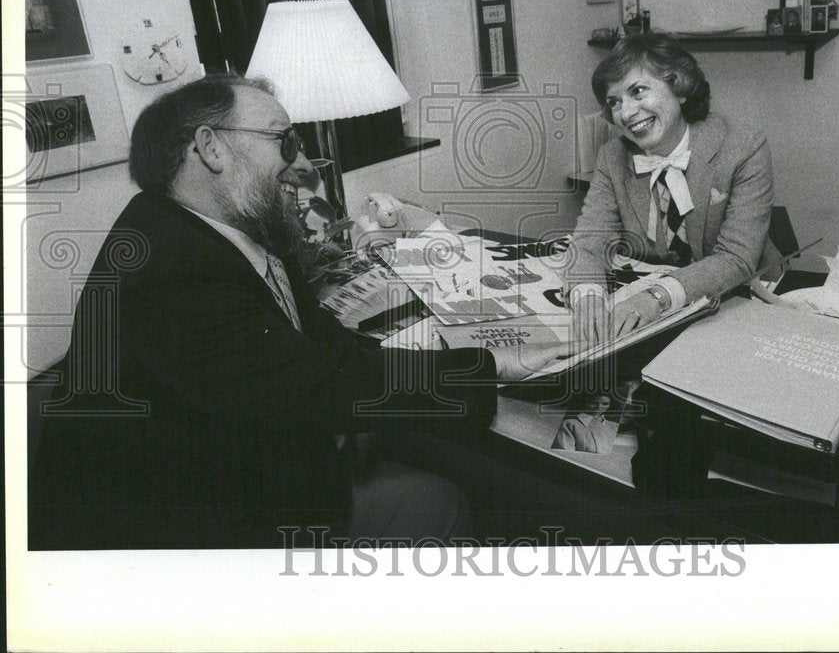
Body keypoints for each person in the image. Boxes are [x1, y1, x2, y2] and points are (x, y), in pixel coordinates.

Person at [28, 74, 569, 549]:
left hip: (233, 470)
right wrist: (492, 364)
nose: (306, 166)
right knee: (440, 500)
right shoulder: (171, 268)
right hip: (185, 532)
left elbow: (318, 342)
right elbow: (318, 382)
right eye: (284, 141)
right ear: (211, 149)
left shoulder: (230, 230)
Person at [566, 31, 780, 345]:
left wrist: (656, 298)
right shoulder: (612, 157)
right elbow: (589, 241)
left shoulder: (743, 146)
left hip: (742, 296)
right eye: (614, 102)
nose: (625, 113)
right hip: (659, 319)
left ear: (679, 88)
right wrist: (587, 298)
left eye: (637, 91)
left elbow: (736, 258)